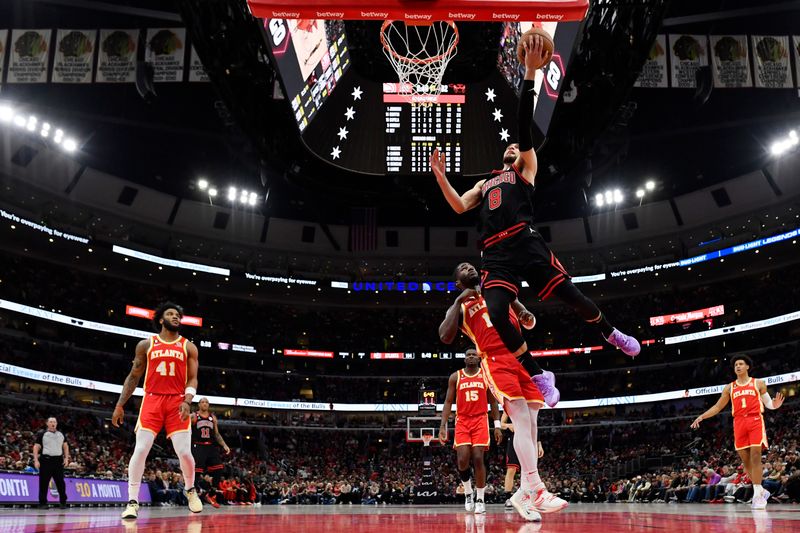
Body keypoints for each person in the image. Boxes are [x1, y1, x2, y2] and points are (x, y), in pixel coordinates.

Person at [431, 33, 640, 407]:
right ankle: (540, 374)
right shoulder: (487, 181)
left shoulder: (526, 169)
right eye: (509, 147)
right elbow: (460, 206)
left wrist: (529, 72)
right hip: (494, 254)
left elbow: (523, 125)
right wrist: (441, 178)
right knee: (496, 313)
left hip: (525, 241)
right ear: (502, 154)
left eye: (516, 146)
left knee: (570, 296)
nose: (513, 147)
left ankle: (611, 333)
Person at [440, 262, 568, 522]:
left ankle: (522, 493)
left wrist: (524, 314)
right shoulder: (463, 305)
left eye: (470, 265)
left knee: (531, 422)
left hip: (520, 355)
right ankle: (537, 488)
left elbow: (523, 314)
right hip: (496, 359)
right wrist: (458, 301)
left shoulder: (497, 290)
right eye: (462, 268)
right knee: (520, 417)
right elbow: (444, 335)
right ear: (458, 281)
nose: (469, 268)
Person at [112, 301, 203, 519]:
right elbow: (134, 376)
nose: (176, 317)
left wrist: (188, 400)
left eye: (178, 315)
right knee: (141, 449)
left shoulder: (188, 346)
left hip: (177, 401)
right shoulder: (146, 345)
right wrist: (119, 404)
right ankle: (132, 502)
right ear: (161, 319)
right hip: (152, 400)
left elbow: (192, 378)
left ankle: (190, 489)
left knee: (184, 453)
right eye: (170, 314)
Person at [691, 354, 785, 510]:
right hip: (739, 422)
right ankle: (761, 490)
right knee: (745, 460)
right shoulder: (730, 387)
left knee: (755, 455)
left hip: (755, 420)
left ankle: (757, 495)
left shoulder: (758, 383)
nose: (738, 366)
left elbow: (768, 403)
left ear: (747, 366)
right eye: (736, 365)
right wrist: (702, 416)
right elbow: (717, 407)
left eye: (741, 364)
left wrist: (775, 405)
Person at [439, 348, 503, 514]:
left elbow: (493, 403)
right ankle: (468, 492)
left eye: (474, 354)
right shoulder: (456, 376)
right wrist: (443, 425)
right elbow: (447, 402)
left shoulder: (486, 376)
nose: (471, 356)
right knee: (462, 460)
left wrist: (497, 425)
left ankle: (480, 498)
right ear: (465, 359)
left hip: (480, 420)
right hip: (462, 420)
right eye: (468, 355)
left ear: (479, 357)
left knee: (477, 457)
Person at [500, 412, 544, 510]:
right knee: (511, 469)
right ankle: (508, 498)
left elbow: (534, 426)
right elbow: (501, 424)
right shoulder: (509, 405)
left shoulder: (529, 406)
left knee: (529, 470)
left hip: (529, 438)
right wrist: (508, 425)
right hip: (514, 439)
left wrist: (539, 444)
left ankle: (529, 497)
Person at [192, 397, 231, 508]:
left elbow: (217, 434)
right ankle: (194, 495)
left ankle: (210, 494)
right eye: (202, 402)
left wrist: (224, 445)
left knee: (219, 468)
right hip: (198, 445)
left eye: (206, 402)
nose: (205, 404)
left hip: (210, 446)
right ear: (199, 405)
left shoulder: (212, 417)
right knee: (197, 472)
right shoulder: (194, 416)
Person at [32, 417, 70, 508]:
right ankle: (43, 503)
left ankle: (63, 502)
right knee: (43, 482)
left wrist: (66, 458)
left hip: (58, 461)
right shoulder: (42, 434)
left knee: (61, 482)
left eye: (54, 422)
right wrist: (36, 460)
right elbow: (36, 447)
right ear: (47, 423)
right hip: (46, 461)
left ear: (56, 424)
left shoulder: (61, 434)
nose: (53, 423)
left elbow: (65, 446)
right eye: (51, 422)